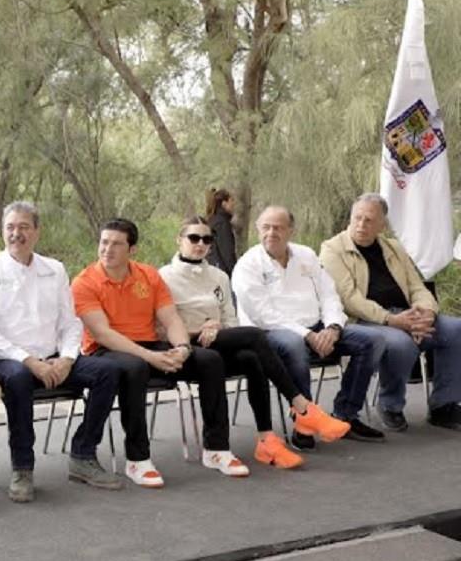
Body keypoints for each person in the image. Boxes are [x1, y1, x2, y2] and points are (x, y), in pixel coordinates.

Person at [0, 202, 125, 502]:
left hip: (53, 359)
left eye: (24, 227)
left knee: (108, 371)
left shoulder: (54, 269)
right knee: (19, 378)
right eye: (10, 227)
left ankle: (83, 455)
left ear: (37, 232)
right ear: (2, 231)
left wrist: (66, 358)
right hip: (5, 362)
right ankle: (22, 468)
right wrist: (29, 362)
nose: (16, 234)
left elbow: (70, 322)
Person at [71, 218, 248, 488]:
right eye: (104, 242)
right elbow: (103, 334)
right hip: (107, 351)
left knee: (209, 360)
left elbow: (171, 319)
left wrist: (182, 349)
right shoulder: (84, 282)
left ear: (132, 250)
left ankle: (216, 449)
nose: (107, 249)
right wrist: (151, 357)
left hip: (151, 345)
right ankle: (137, 459)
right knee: (135, 367)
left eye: (117, 244)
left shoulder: (148, 275)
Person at [160, 217, 350, 468]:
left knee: (252, 358)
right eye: (193, 238)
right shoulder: (163, 277)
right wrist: (198, 330)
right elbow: (162, 328)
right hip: (186, 346)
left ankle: (267, 440)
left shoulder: (218, 276)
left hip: (217, 340)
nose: (200, 244)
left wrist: (216, 326)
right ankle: (302, 406)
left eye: (206, 239)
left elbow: (229, 319)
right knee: (254, 335)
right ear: (179, 240)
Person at [232, 205, 384, 447]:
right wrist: (308, 336)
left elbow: (328, 294)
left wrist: (333, 328)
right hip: (271, 334)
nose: (272, 233)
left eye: (279, 228)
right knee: (293, 345)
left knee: (373, 340)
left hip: (318, 328)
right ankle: (305, 422)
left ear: (291, 230)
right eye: (266, 227)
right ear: (257, 229)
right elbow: (263, 315)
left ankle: (346, 413)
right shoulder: (247, 265)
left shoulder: (306, 255)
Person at [320, 193, 461, 432]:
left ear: (382, 225)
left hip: (407, 315)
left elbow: (417, 286)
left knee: (456, 329)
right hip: (365, 321)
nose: (361, 225)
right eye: (357, 218)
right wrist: (392, 320)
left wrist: (426, 313)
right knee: (401, 344)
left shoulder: (393, 247)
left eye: (369, 220)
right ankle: (390, 404)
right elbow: (350, 300)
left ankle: (443, 405)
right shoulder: (332, 250)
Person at [206, 188, 237, 276]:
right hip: (220, 271)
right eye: (231, 201)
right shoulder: (222, 223)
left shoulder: (212, 220)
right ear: (224, 203)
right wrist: (234, 273)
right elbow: (227, 250)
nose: (233, 204)